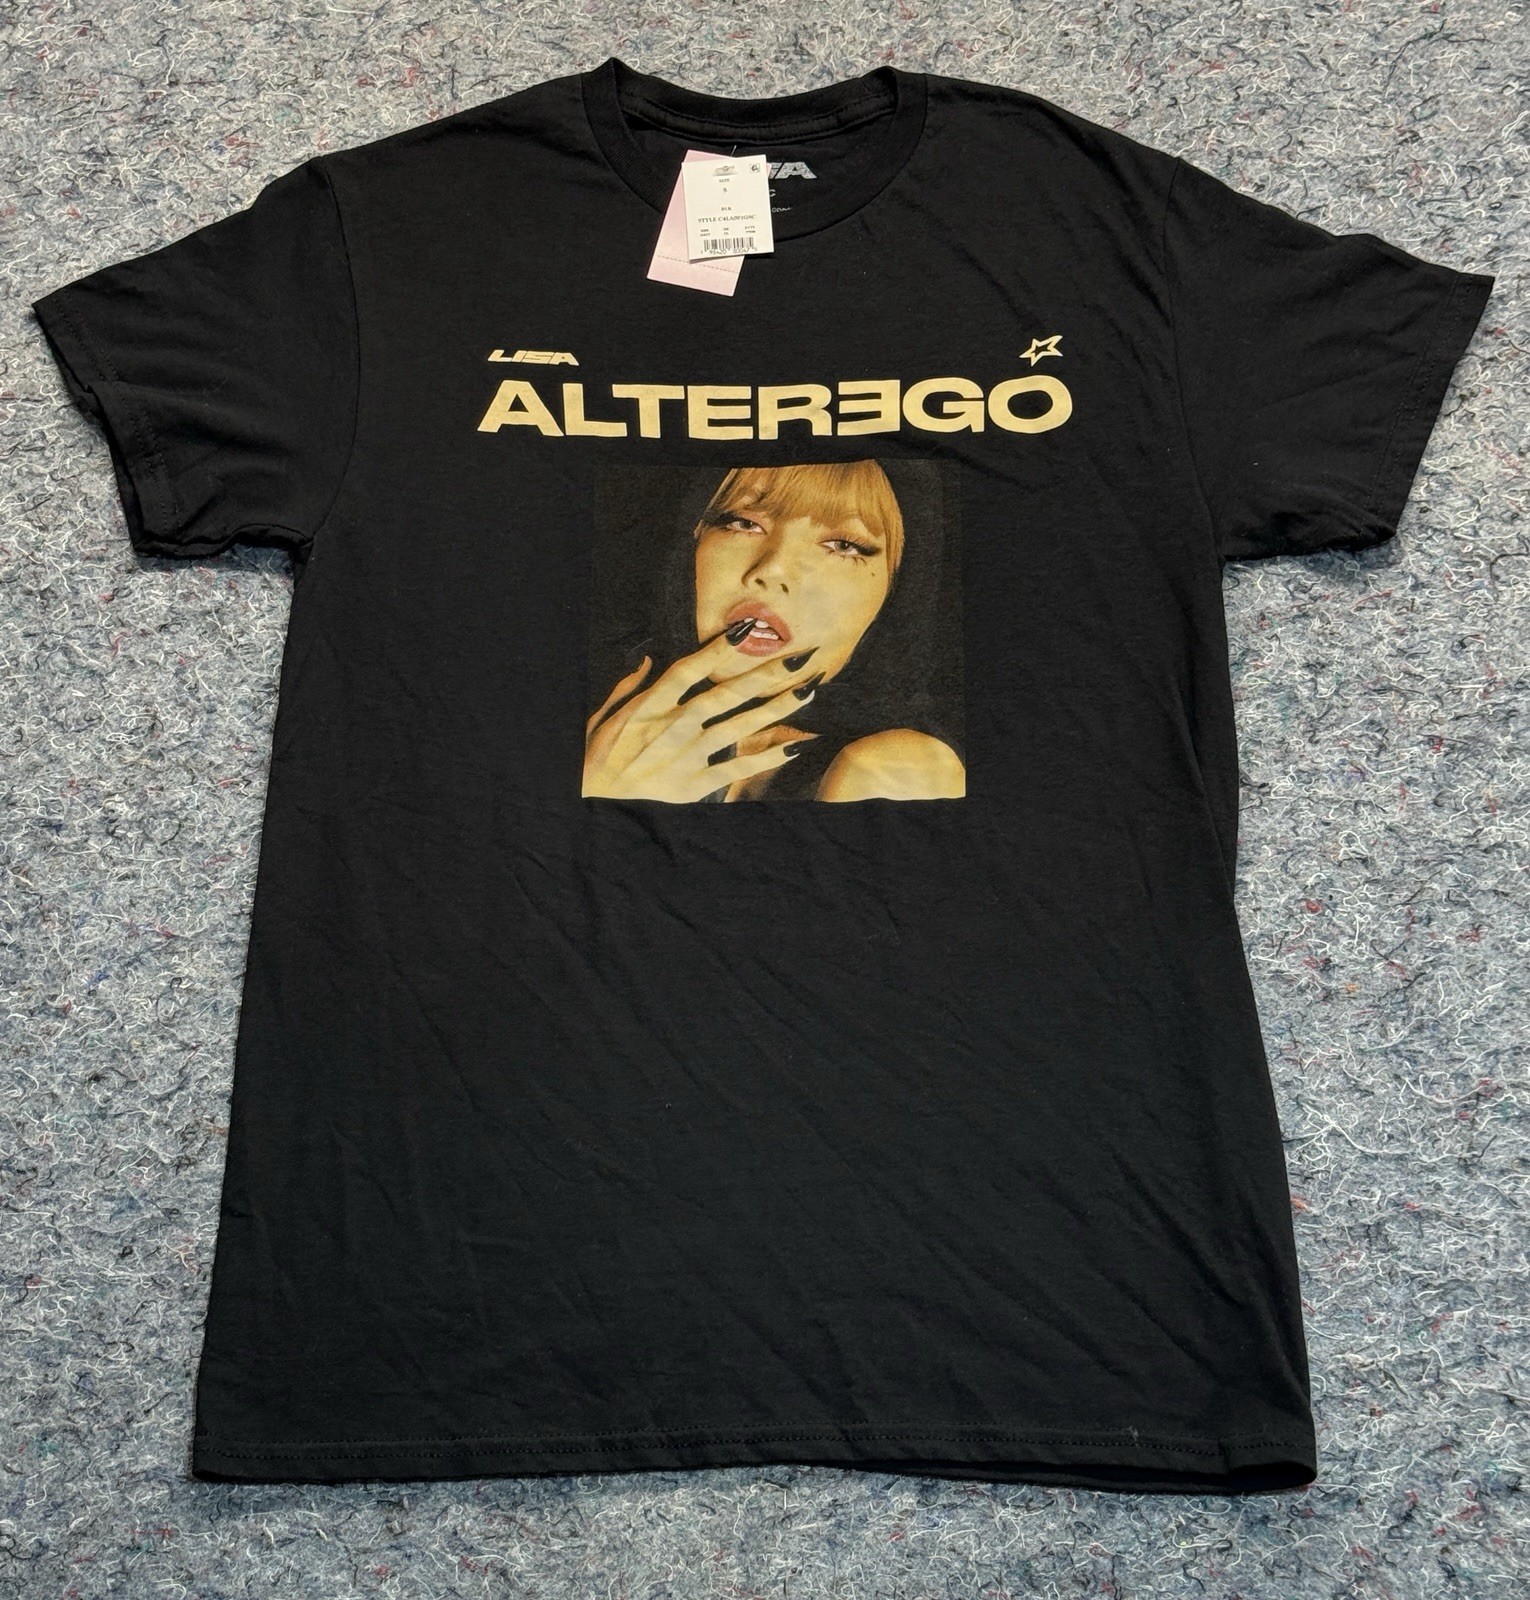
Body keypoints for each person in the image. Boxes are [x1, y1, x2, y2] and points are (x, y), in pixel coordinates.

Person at [582, 460, 966, 802]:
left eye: (842, 545)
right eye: (743, 523)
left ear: (895, 591)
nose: (773, 569)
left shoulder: (897, 771)